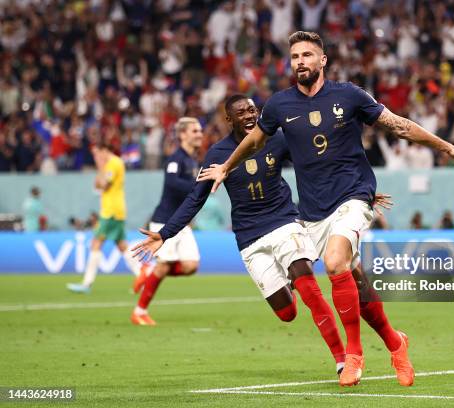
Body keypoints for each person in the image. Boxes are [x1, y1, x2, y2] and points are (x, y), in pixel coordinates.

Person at [199, 31, 454, 386]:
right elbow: (255, 139)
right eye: (294, 56)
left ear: (323, 61)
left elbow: (399, 125)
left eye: (307, 55)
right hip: (315, 210)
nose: (300, 61)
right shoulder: (278, 106)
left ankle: (353, 355)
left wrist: (449, 149)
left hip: (352, 195)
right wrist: (226, 166)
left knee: (334, 262)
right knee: (355, 281)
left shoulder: (348, 95)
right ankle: (396, 343)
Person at [133, 95, 348, 375]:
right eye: (241, 112)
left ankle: (343, 360)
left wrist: (351, 191)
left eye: (252, 110)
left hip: (285, 222)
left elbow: (313, 168)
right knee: (288, 314)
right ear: (228, 120)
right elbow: (195, 199)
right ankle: (288, 284)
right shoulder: (218, 154)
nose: (249, 115)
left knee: (309, 287)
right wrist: (164, 234)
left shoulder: (277, 139)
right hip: (249, 238)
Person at [130, 117, 204, 326]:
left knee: (191, 266)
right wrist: (198, 185)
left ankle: (149, 272)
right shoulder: (175, 158)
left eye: (200, 130)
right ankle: (139, 311)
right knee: (163, 266)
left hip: (181, 223)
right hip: (164, 222)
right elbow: (172, 183)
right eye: (194, 130)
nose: (199, 134)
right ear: (182, 135)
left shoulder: (192, 159)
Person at [67, 143, 142, 294]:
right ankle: (143, 276)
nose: (96, 157)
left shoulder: (114, 163)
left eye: (97, 153)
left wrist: (101, 168)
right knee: (122, 245)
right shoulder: (108, 164)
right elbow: (96, 185)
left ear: (105, 150)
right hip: (113, 210)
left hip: (111, 211)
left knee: (96, 242)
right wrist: (101, 169)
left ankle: (87, 284)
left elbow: (104, 185)